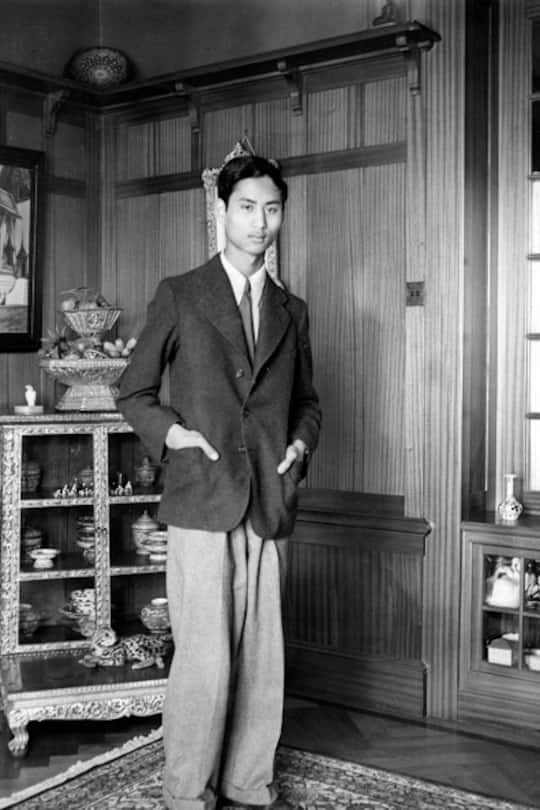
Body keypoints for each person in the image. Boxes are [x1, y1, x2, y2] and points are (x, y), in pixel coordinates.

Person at [117, 154, 321, 810]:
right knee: (205, 664)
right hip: (201, 499)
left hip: (267, 500)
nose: (261, 222)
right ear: (222, 212)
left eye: (272, 208)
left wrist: (299, 444)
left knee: (263, 665)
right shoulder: (182, 293)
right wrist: (175, 435)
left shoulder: (293, 310)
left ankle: (246, 788)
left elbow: (308, 403)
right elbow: (134, 390)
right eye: (247, 207)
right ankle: (187, 795)